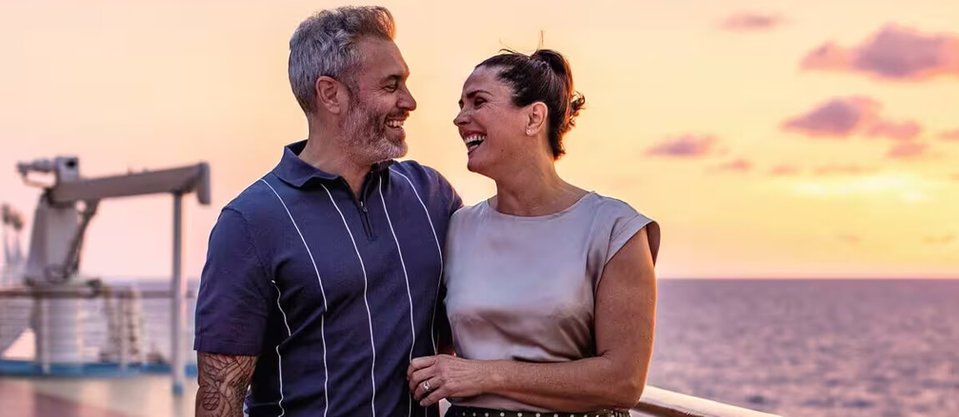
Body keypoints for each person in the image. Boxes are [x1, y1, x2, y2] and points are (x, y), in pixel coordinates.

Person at [194, 6, 461, 417]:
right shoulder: (251, 222)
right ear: (330, 94)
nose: (409, 101)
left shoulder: (431, 196)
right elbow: (220, 395)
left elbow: (474, 317)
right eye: (391, 85)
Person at [405, 49, 660, 417]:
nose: (461, 118)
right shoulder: (457, 228)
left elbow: (624, 381)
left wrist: (486, 375)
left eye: (478, 102)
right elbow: (438, 348)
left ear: (533, 117)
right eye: (461, 105)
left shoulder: (615, 229)